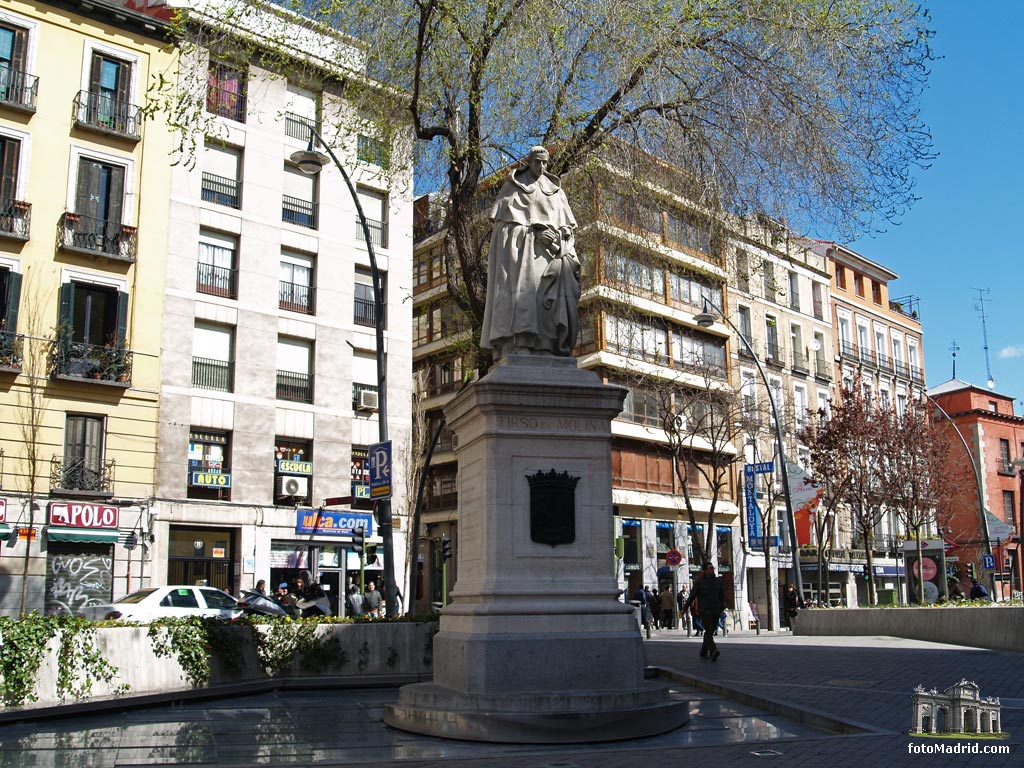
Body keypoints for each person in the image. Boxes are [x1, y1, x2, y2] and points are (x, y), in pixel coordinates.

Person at [480, 145, 580, 359]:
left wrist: (558, 240)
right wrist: (533, 234)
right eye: (537, 162)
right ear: (529, 161)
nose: (541, 167)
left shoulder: (556, 192)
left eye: (545, 162)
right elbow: (503, 230)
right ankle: (521, 344)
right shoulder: (513, 187)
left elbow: (568, 230)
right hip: (523, 259)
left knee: (548, 303)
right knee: (525, 299)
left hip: (551, 257)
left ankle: (547, 347)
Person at [682, 562, 727, 661]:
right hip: (704, 610)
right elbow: (692, 595)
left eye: (713, 568)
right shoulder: (700, 582)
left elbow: (722, 596)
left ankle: (703, 651)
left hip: (716, 610)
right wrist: (685, 608)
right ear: (705, 570)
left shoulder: (718, 581)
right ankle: (713, 650)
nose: (712, 569)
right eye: (710, 568)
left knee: (710, 631)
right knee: (709, 631)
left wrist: (722, 607)